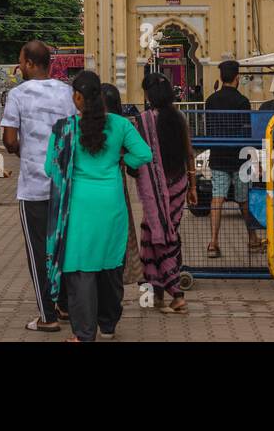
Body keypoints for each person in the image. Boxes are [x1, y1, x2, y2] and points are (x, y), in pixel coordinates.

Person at [45, 71, 152, 342]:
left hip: (78, 207)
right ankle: (108, 325)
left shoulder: (64, 128)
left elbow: (50, 169)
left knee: (80, 269)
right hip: (111, 204)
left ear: (78, 97)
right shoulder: (120, 124)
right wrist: (120, 158)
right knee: (110, 267)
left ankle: (83, 334)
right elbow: (144, 154)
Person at [0, 39, 76, 333]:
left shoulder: (17, 94)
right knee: (64, 246)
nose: (19, 66)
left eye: (21, 61)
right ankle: (66, 305)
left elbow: (8, 140)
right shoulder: (68, 92)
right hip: (65, 184)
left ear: (30, 63)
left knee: (38, 251)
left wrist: (24, 150)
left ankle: (47, 316)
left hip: (33, 185)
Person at [135, 72, 196, 314]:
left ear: (149, 95)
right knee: (160, 234)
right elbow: (189, 153)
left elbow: (136, 156)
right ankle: (155, 293)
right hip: (179, 184)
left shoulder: (143, 121)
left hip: (155, 190)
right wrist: (192, 186)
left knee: (158, 236)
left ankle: (176, 293)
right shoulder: (179, 117)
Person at [201, 61, 263, 257]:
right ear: (237, 78)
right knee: (244, 201)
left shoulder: (210, 100)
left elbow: (209, 129)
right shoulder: (242, 102)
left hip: (218, 156)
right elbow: (247, 132)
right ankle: (252, 240)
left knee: (217, 199)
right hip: (238, 159)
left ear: (221, 78)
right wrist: (253, 158)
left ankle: (213, 243)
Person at [102, 83, 144, 286]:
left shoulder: (86, 123)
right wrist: (124, 160)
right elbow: (143, 155)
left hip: (87, 190)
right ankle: (117, 282)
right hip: (116, 188)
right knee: (121, 237)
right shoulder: (122, 124)